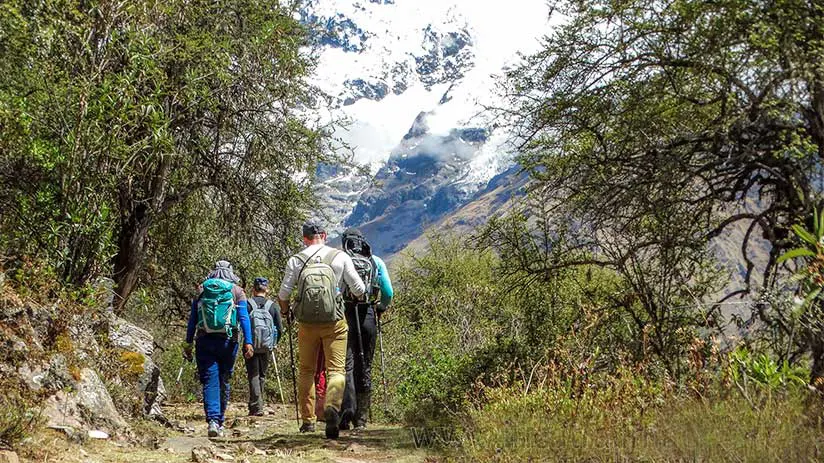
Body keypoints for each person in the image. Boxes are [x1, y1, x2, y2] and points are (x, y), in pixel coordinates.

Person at [278, 221, 366, 439]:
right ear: (325, 235)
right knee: (336, 369)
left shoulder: (296, 260)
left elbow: (283, 294)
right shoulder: (340, 257)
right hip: (334, 321)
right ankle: (332, 409)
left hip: (307, 324)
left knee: (306, 370)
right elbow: (359, 289)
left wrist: (285, 311)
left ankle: (308, 421)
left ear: (304, 238)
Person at [183, 260, 254, 437]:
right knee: (224, 379)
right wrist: (249, 342)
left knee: (209, 380)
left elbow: (192, 320)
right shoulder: (237, 291)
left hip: (204, 340)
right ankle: (219, 421)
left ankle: (213, 421)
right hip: (229, 341)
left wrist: (188, 342)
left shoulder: (202, 289)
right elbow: (244, 318)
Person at [338, 228, 394, 430]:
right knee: (366, 364)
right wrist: (380, 308)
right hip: (368, 314)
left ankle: (346, 414)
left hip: (346, 314)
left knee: (346, 364)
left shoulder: (341, 259)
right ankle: (361, 419)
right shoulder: (376, 261)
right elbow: (388, 291)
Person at [245, 277, 283, 416]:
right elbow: (280, 328)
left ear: (254, 289)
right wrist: (273, 343)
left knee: (253, 374)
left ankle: (256, 406)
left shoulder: (248, 304)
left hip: (251, 345)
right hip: (267, 346)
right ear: (266, 289)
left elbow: (242, 323)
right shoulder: (272, 306)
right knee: (261, 375)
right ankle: (258, 404)